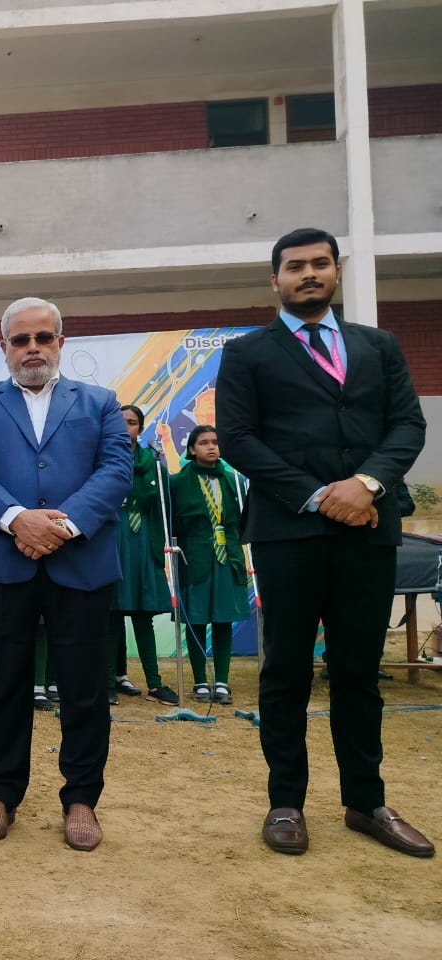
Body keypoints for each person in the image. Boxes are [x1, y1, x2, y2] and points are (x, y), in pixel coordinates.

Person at [217, 226, 433, 858]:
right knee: (285, 669)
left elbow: (407, 425)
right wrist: (319, 495)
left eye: (319, 263)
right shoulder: (247, 353)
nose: (307, 273)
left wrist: (365, 485)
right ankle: (286, 802)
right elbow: (239, 439)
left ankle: (367, 802)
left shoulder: (378, 345)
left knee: (358, 671)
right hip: (288, 532)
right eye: (294, 266)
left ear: (336, 271)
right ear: (275, 280)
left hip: (369, 528)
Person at [0, 297, 131, 851]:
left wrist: (62, 526)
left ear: (60, 343)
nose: (33, 349)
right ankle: (0, 794)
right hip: (2, 565)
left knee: (84, 687)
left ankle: (81, 799)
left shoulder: (100, 402)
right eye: (21, 340)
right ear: (4, 347)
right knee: (0, 685)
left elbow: (116, 470)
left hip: (81, 563)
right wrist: (16, 520)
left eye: (43, 338)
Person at [168, 425, 249, 706]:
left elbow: (242, 519)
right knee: (197, 619)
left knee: (224, 618)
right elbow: (172, 523)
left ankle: (222, 682)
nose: (211, 447)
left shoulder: (234, 479)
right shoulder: (178, 482)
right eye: (204, 443)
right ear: (192, 449)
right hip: (195, 557)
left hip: (227, 556)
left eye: (215, 442)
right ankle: (200, 681)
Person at [109, 405, 178, 706]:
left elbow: (163, 507)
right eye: (120, 422)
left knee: (142, 614)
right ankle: (107, 681)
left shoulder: (154, 462)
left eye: (132, 422)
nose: (126, 428)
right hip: (114, 536)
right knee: (111, 613)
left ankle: (155, 684)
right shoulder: (103, 458)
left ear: (140, 427)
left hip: (143, 539)